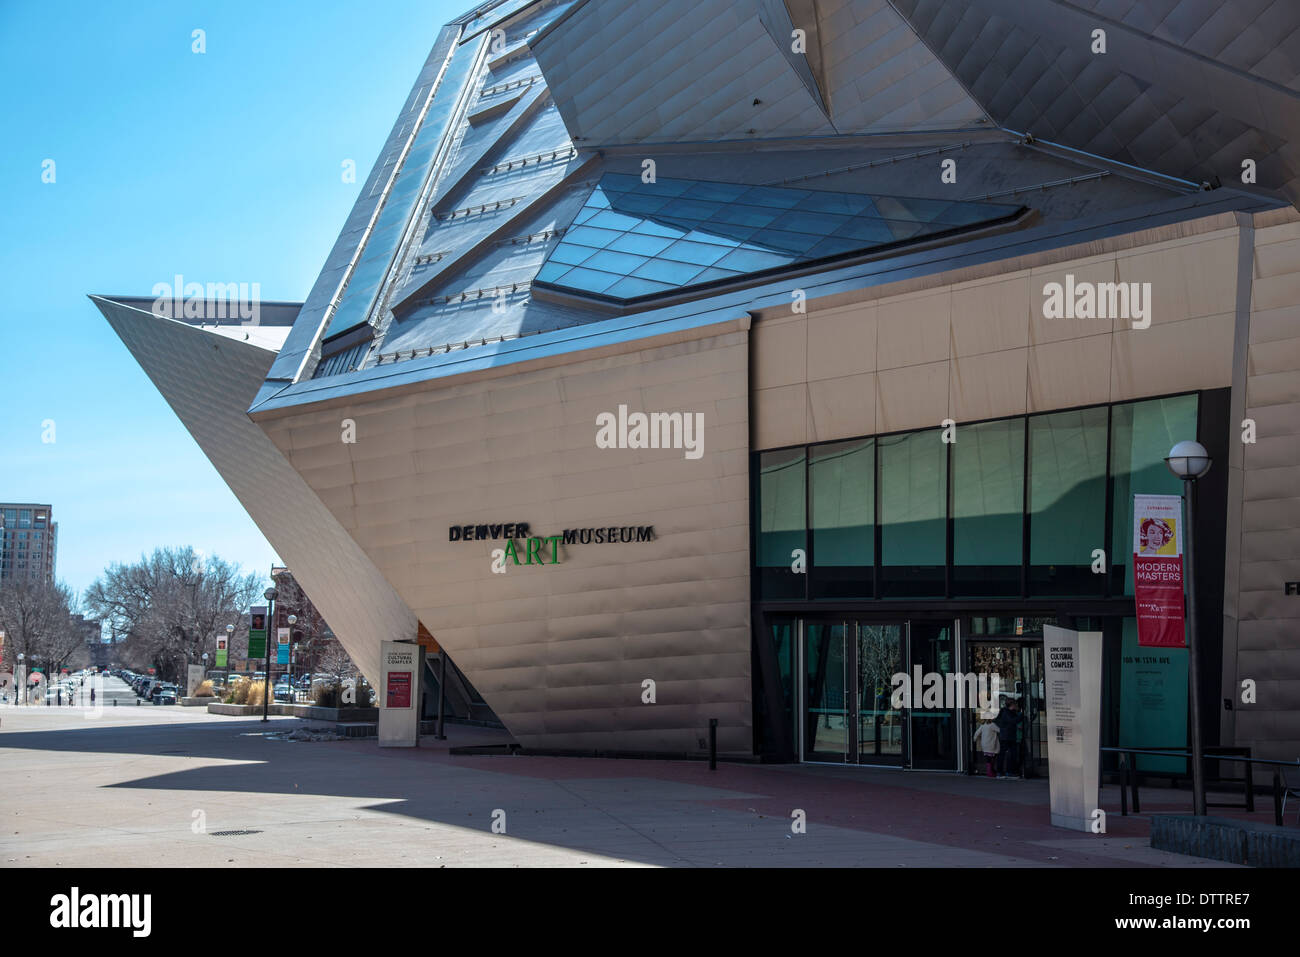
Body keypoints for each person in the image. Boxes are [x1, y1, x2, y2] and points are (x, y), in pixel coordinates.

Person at [994, 697, 1021, 778]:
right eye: (1015, 704)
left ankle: (1009, 772)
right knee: (1004, 754)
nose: (1017, 706)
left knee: (1012, 754)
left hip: (1009, 736)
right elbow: (1013, 721)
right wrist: (1021, 715)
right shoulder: (1006, 712)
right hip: (1006, 737)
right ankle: (1001, 772)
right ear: (1012, 705)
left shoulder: (1010, 712)